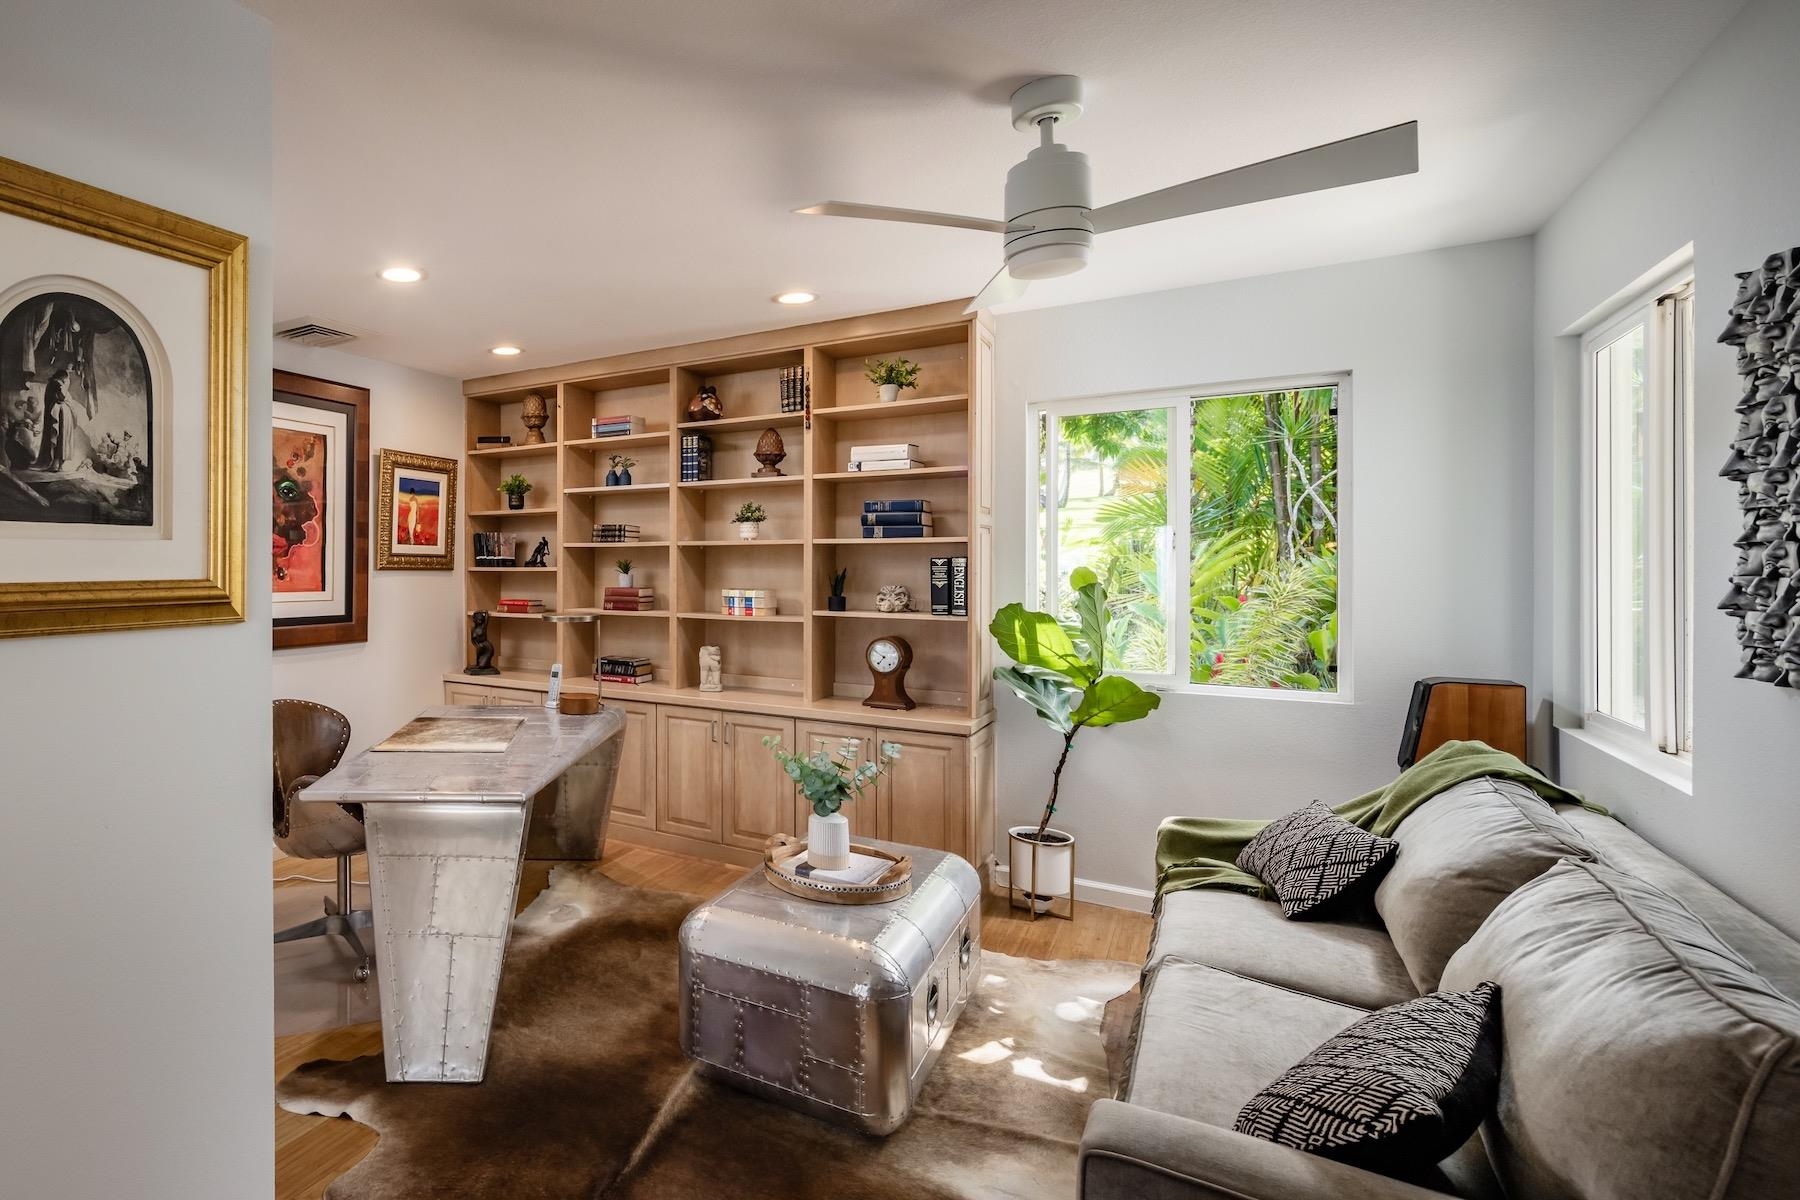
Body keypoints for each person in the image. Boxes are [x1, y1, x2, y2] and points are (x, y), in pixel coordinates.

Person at [34, 368, 73, 471]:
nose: (65, 381)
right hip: (59, 414)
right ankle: (56, 464)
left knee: (61, 438)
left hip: (61, 414)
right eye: (65, 379)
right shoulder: (56, 383)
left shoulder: (54, 383)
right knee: (59, 437)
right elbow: (61, 397)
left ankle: (58, 465)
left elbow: (61, 398)